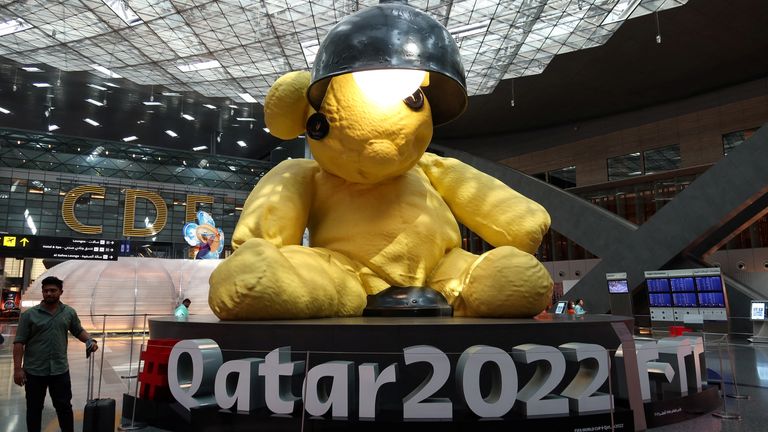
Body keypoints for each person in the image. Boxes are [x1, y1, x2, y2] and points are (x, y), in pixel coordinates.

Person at [13, 276, 98, 432]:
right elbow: (19, 342)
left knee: (64, 407)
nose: (49, 294)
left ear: (61, 292)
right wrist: (18, 369)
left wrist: (90, 341)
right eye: (46, 291)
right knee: (34, 409)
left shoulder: (69, 312)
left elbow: (78, 330)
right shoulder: (29, 315)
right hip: (34, 371)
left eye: (53, 290)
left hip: (60, 370)